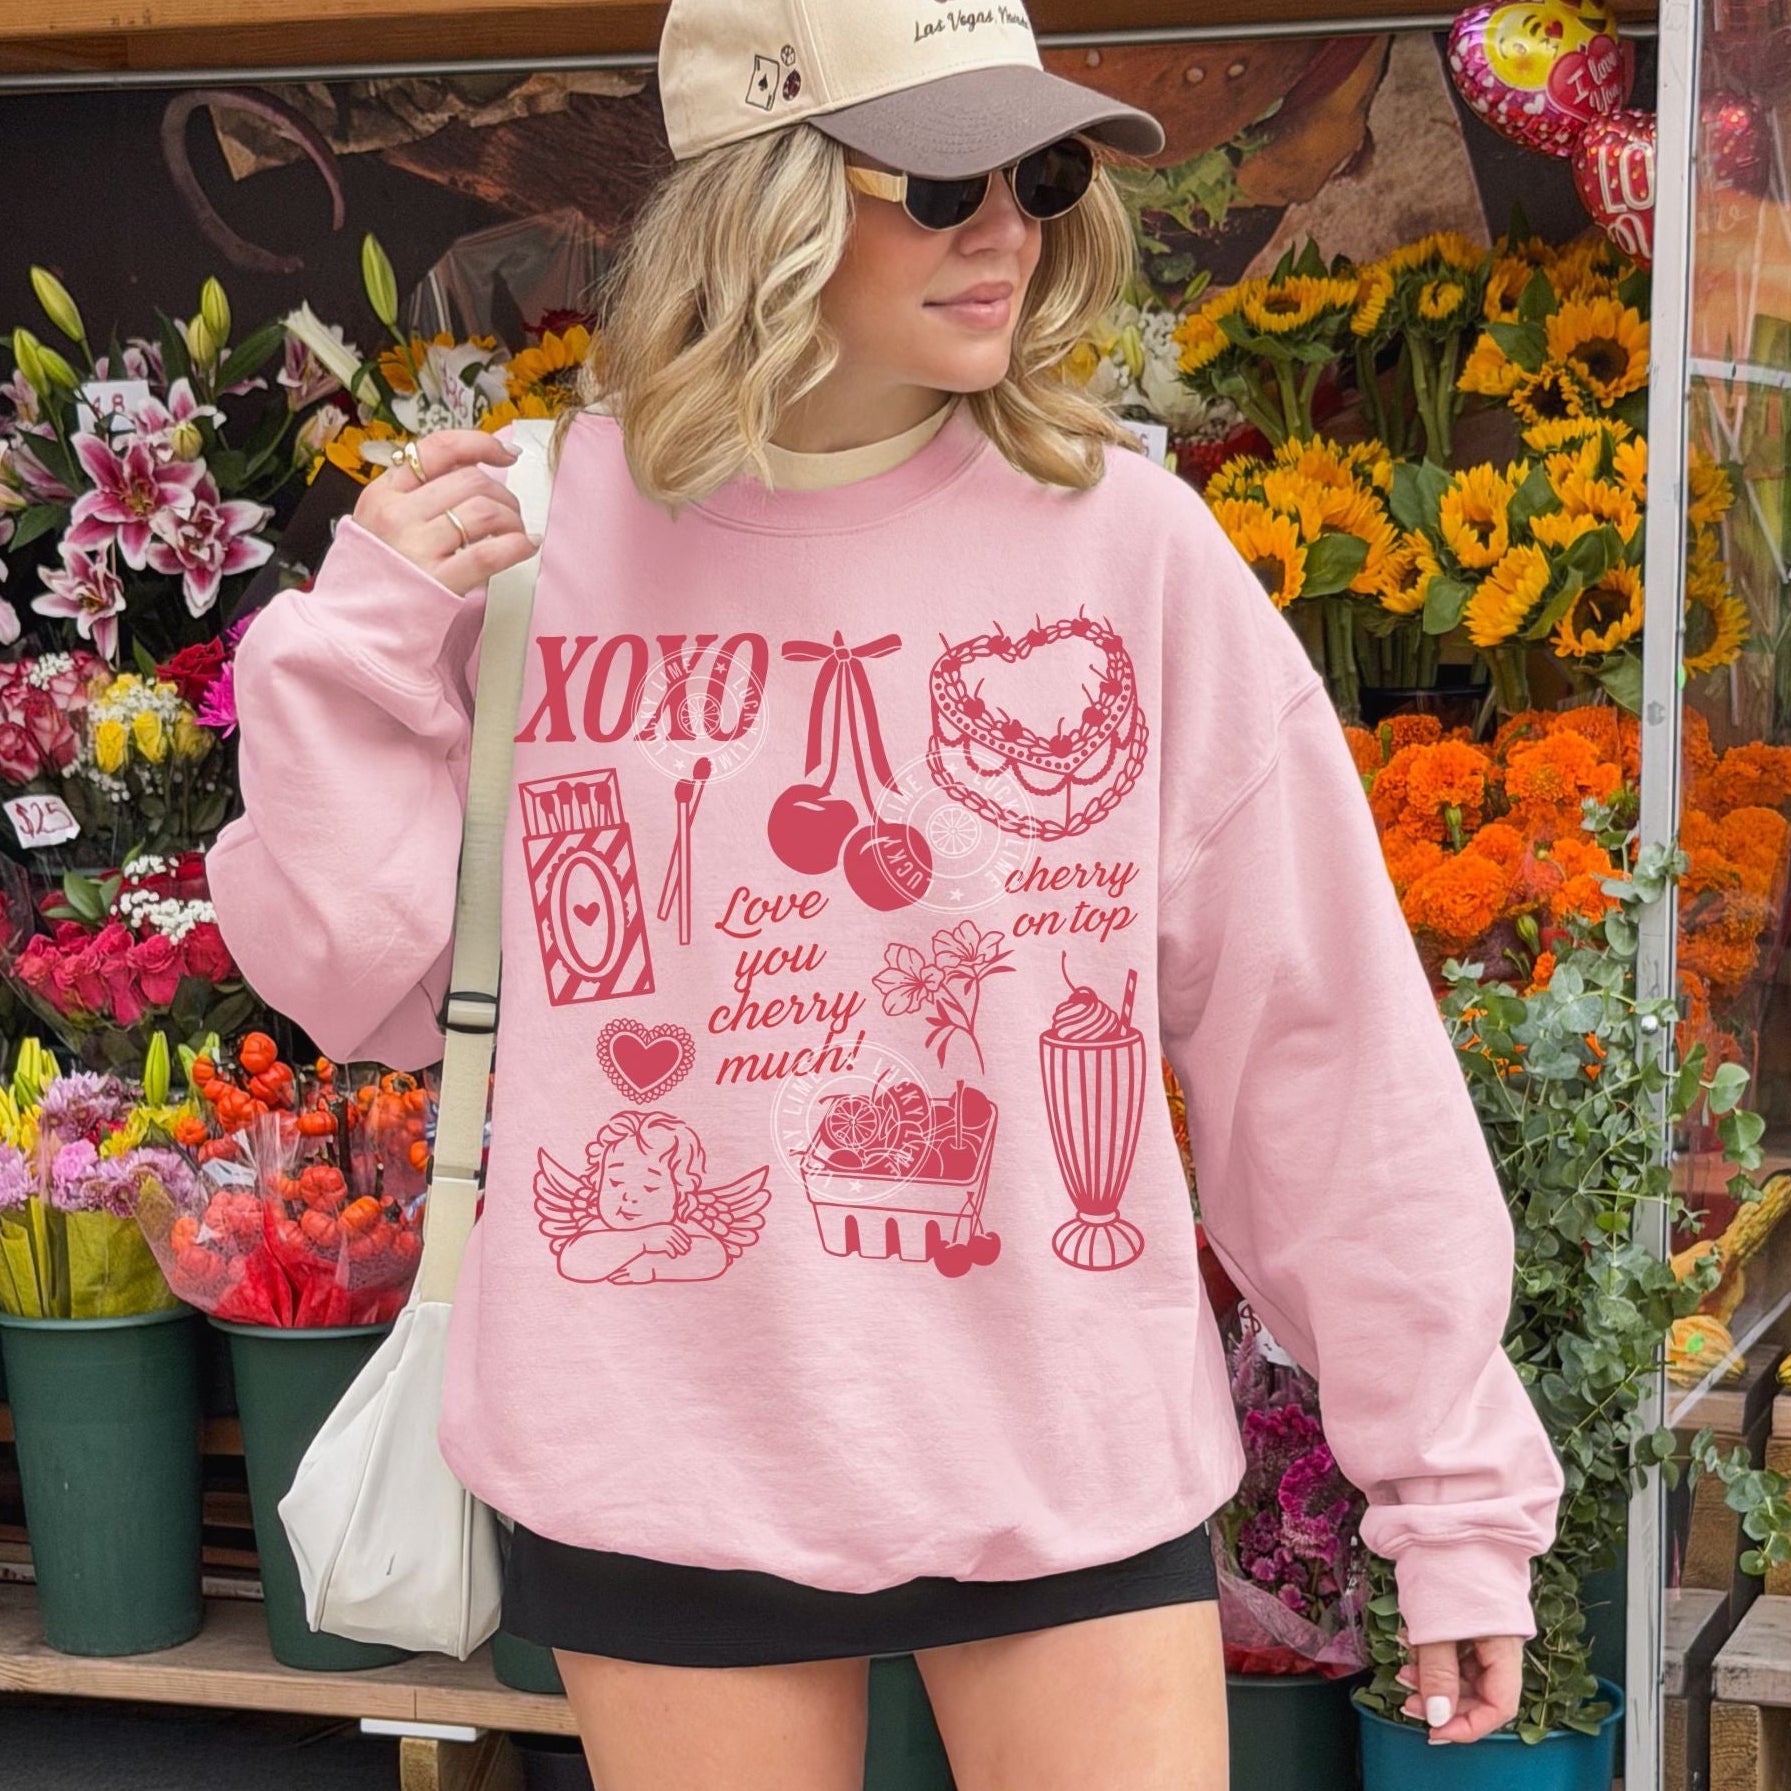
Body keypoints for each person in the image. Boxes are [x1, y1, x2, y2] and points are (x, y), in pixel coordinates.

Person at [206, 0, 1567, 1784]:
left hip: (1062, 1446)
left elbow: (1313, 1035)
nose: (1005, 225)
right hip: (666, 1451)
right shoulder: (537, 543)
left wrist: (1450, 1485)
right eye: (936, 181)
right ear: (763, 199)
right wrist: (357, 640)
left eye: (1039, 169)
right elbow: (349, 980)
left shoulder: (1125, 547)